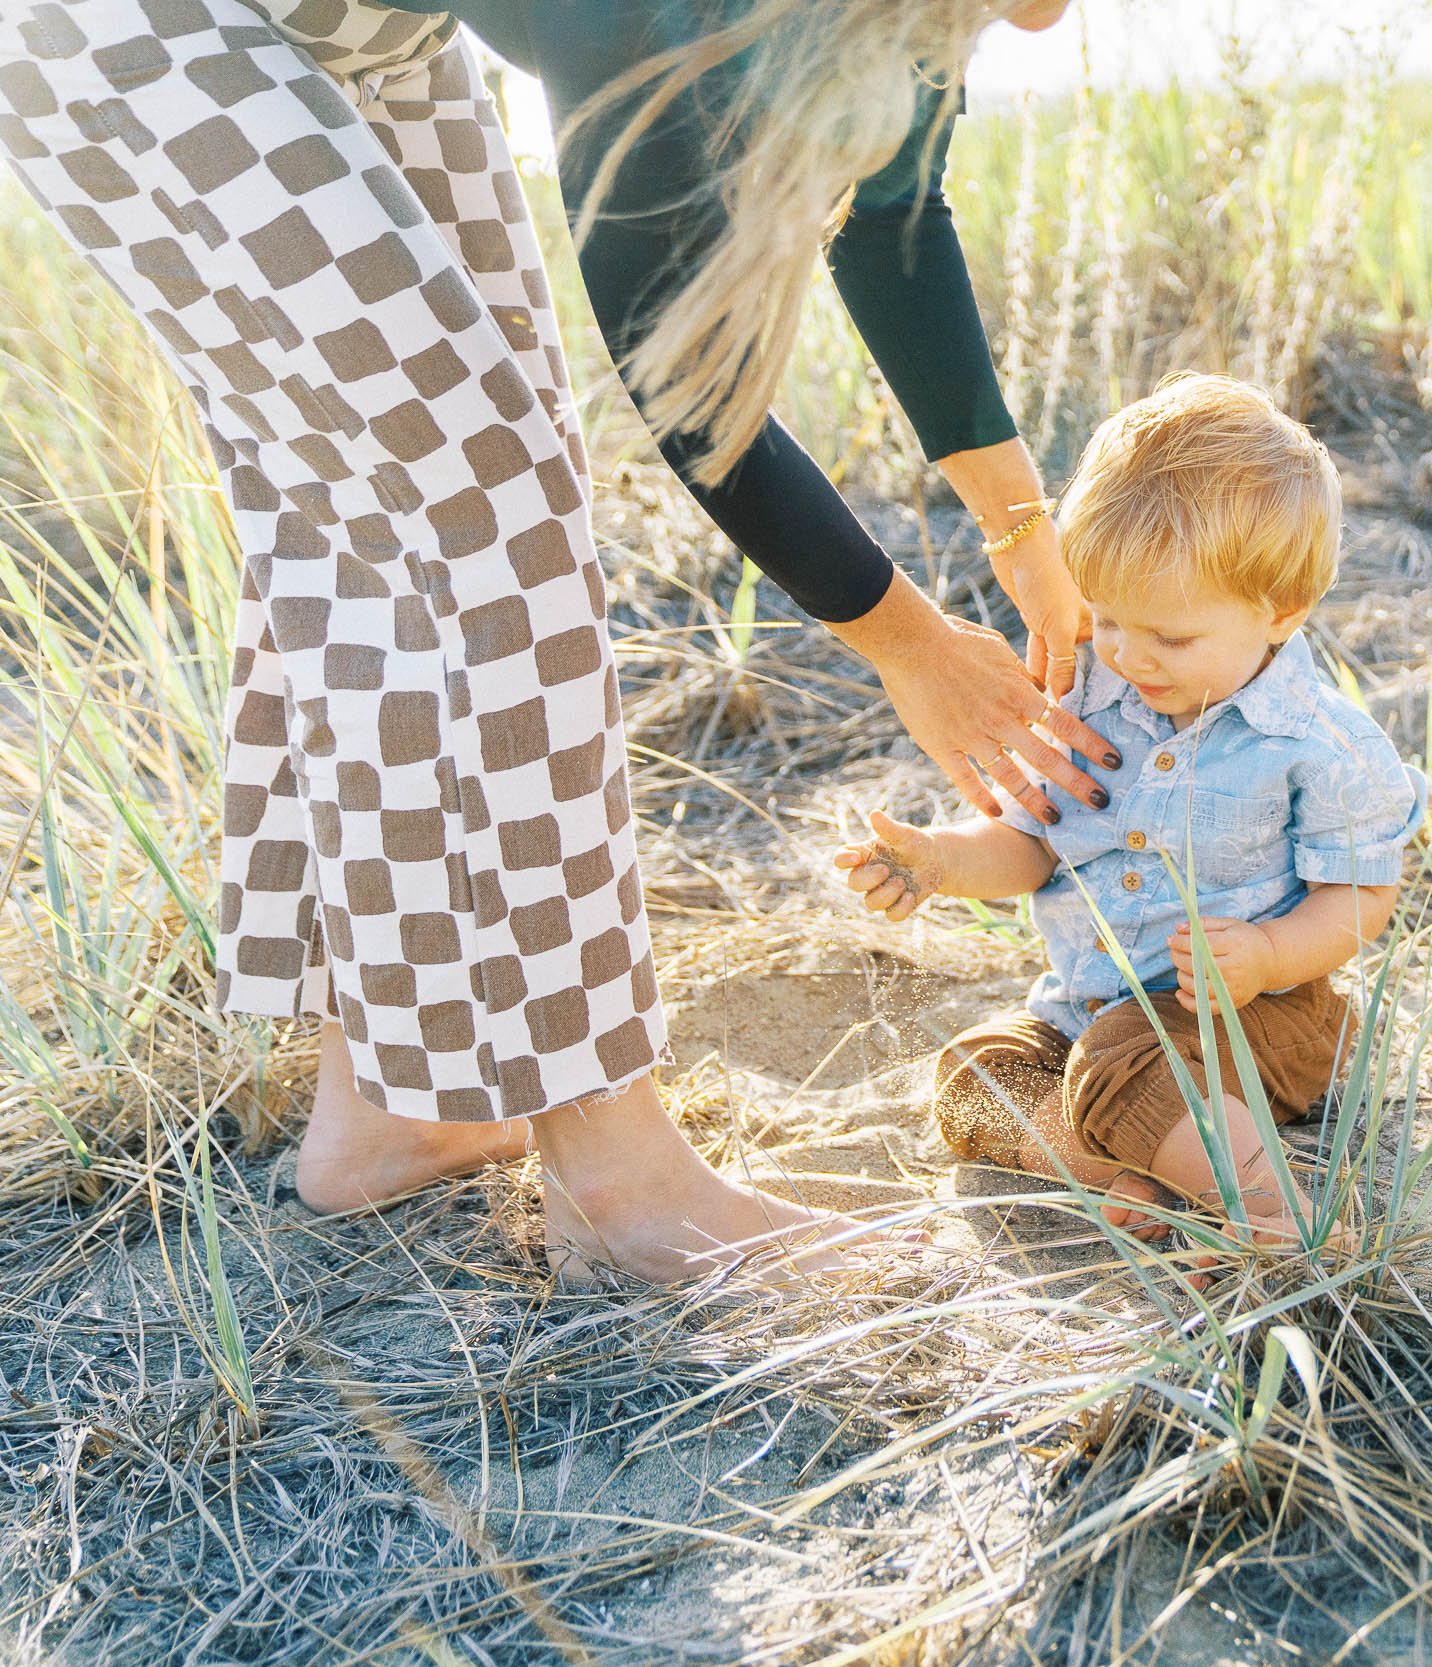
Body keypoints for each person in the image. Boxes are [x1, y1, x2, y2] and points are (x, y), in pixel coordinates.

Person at [0, 0, 1114, 1282]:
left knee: (396, 516)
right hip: (142, 25)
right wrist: (910, 644)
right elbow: (686, 380)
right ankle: (618, 1180)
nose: (1047, 17)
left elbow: (894, 215)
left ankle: (387, 1105)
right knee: (493, 504)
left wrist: (1022, 534)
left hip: (373, 36)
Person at [832, 376, 1425, 1247]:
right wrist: (943, 860)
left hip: (1260, 1016)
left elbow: (1362, 898)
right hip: (1087, 1010)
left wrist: (1266, 955)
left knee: (1122, 1064)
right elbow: (1031, 842)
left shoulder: (1317, 744)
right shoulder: (1089, 698)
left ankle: (1274, 1211)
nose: (1125, 653)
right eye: (1106, 618)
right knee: (975, 1072)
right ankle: (1120, 1173)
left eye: (1171, 637)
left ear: (1281, 612)